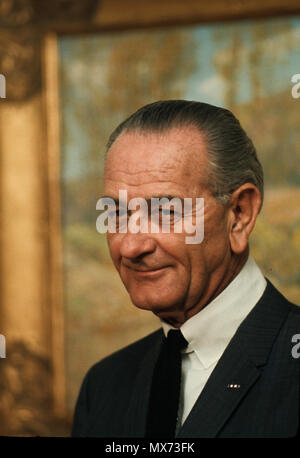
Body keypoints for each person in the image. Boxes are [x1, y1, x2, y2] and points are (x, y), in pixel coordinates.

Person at [72, 100, 300, 438]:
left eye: (165, 211)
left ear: (239, 214)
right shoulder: (104, 386)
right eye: (117, 213)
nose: (131, 246)